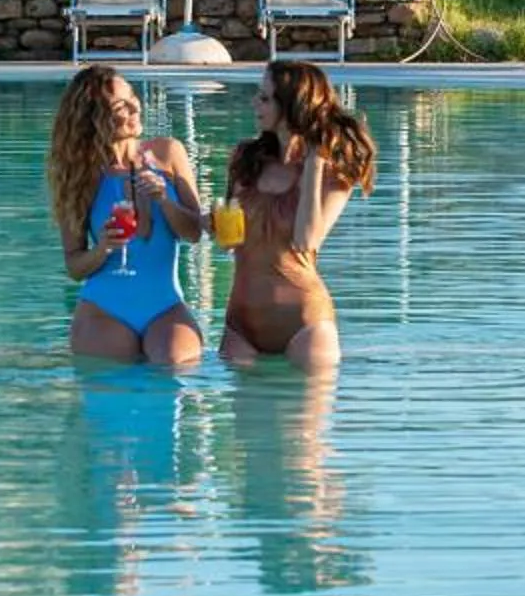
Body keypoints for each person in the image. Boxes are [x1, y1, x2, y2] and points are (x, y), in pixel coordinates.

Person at [220, 60, 375, 372]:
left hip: (304, 324)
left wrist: (314, 165)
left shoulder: (335, 172)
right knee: (244, 422)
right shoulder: (245, 159)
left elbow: (306, 239)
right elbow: (230, 238)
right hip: (241, 326)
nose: (255, 103)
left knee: (300, 419)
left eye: (264, 98)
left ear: (292, 106)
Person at [47, 65, 206, 368]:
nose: (136, 108)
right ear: (95, 118)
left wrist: (165, 202)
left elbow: (194, 233)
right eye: (122, 106)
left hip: (166, 305)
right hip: (103, 309)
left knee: (174, 364)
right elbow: (74, 266)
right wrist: (103, 247)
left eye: (134, 97)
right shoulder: (81, 176)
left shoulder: (169, 154)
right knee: (112, 384)